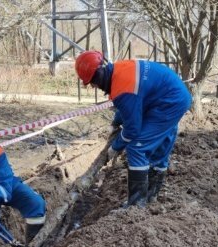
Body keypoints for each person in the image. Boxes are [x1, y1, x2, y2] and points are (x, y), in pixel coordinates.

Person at [74, 50, 192, 207]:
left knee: (137, 148)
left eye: (92, 82)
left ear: (98, 75)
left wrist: (116, 146)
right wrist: (115, 123)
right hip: (173, 95)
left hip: (168, 102)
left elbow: (132, 129)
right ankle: (151, 199)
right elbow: (129, 106)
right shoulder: (119, 70)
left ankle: (136, 206)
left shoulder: (122, 88)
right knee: (159, 149)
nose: (95, 86)